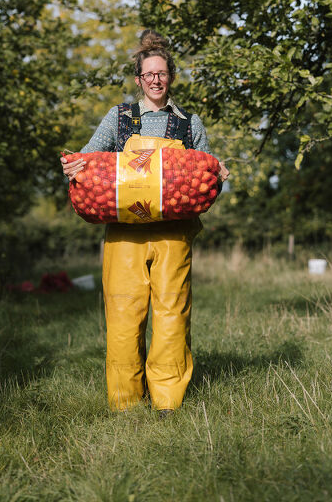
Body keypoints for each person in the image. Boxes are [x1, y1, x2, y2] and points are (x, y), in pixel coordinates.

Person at [61, 30, 229, 415]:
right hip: (124, 236)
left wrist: (219, 172)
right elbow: (88, 159)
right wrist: (72, 166)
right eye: (148, 74)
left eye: (162, 73)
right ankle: (126, 404)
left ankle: (168, 402)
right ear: (138, 79)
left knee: (172, 314)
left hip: (174, 234)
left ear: (171, 77)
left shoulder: (189, 123)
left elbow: (205, 173)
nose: (156, 80)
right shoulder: (118, 118)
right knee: (123, 315)